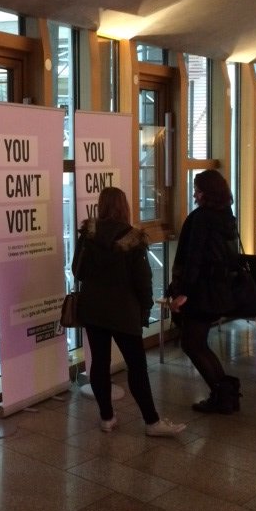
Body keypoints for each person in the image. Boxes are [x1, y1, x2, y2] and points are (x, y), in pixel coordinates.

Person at [75, 186, 186, 437]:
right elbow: (143, 281)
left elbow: (76, 271)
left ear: (101, 205)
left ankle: (106, 418)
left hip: (93, 309)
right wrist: (146, 308)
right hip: (124, 312)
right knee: (137, 367)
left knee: (99, 364)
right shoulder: (133, 239)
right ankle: (151, 422)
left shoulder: (87, 235)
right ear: (123, 207)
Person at [168, 169, 241, 414]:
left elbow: (194, 258)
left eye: (197, 190)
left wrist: (183, 292)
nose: (194, 195)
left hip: (200, 293)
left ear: (207, 193)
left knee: (193, 344)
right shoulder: (227, 216)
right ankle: (226, 394)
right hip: (219, 291)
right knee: (198, 343)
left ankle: (222, 395)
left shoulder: (201, 218)